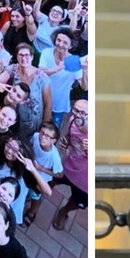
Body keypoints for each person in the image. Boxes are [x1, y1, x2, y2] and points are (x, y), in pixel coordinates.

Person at [49, 98, 88, 232]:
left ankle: (64, 212)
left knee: (77, 202)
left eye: (83, 113)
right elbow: (69, 137)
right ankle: (37, 194)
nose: (78, 115)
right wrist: (65, 142)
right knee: (51, 180)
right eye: (76, 110)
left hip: (85, 182)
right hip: (68, 166)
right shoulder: (73, 121)